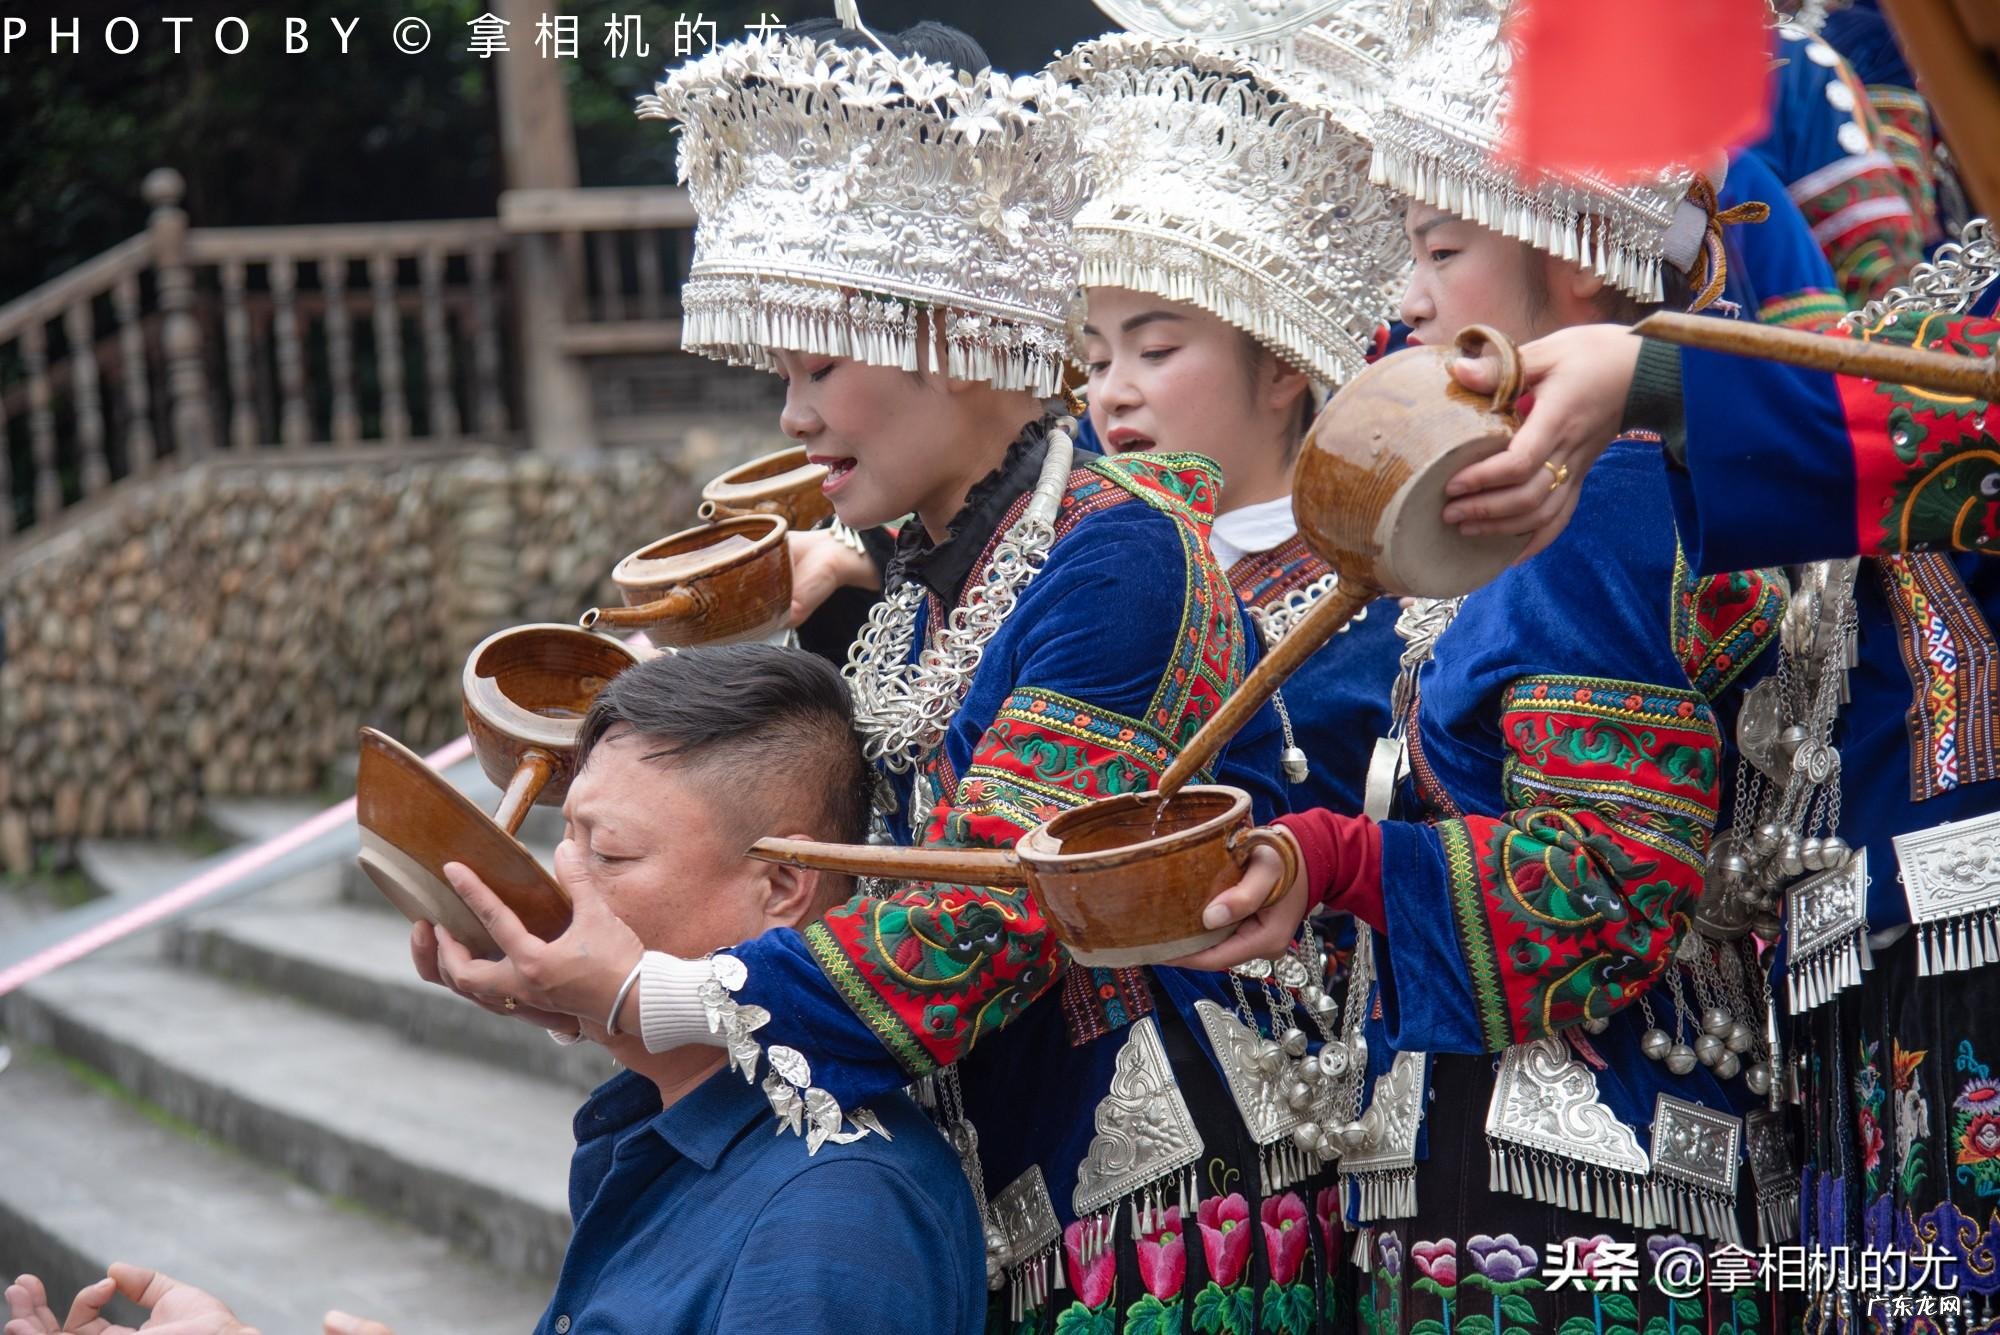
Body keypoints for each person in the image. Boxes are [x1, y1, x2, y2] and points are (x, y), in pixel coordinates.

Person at [420, 24, 1308, 1332]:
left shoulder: (1121, 556)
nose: (792, 418)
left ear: (948, 335)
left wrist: (646, 992)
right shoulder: (907, 581)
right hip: (984, 1174)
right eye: (785, 374)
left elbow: (1005, 911)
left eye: (820, 367)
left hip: (1154, 1209)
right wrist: (583, 955)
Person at [1186, 1, 1799, 1329]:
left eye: (1439, 248)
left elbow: (1599, 891)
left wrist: (1335, 859)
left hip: (1583, 1187)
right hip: (1526, 1164)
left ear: (1574, 261)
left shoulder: (1602, 507)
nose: (1405, 300)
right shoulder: (1563, 502)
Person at [9, 646, 988, 1335]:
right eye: (568, 836)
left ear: (782, 884)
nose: (564, 880)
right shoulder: (665, 1123)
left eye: (611, 853)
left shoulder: (833, 1218)